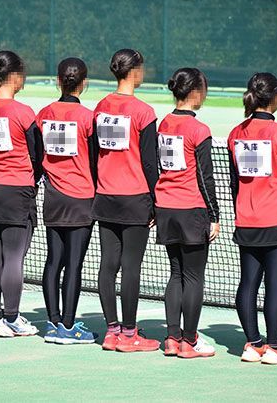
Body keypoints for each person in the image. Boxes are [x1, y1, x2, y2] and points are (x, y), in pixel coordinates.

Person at [228, 72, 277, 364]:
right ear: (276, 97)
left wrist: (241, 210)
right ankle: (274, 348)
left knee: (248, 283)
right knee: (276, 286)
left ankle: (253, 345)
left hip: (247, 223)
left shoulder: (235, 134)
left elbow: (234, 183)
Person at [93, 49, 160, 352]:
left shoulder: (101, 107)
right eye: (141, 68)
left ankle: (112, 332)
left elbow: (96, 153)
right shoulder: (144, 112)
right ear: (133, 72)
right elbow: (149, 163)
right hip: (135, 198)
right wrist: (156, 201)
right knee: (131, 267)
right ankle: (130, 334)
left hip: (106, 196)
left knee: (108, 265)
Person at [0, 51, 43, 338]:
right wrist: (34, 179)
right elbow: (37, 154)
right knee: (14, 257)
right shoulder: (23, 112)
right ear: (14, 76)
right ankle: (12, 319)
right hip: (16, 190)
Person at [155, 68, 219, 358]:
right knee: (193, 277)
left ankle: (172, 338)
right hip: (191, 210)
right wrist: (214, 215)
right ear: (195, 92)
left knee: (176, 274)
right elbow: (206, 178)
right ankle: (189, 341)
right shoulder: (199, 129)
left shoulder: (164, 123)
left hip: (166, 208)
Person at [37, 58, 96, 345]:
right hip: (81, 199)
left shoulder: (44, 114)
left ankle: (53, 323)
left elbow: (37, 155)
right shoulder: (88, 118)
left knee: (53, 261)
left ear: (59, 81)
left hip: (54, 198)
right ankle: (69, 327)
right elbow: (96, 160)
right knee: (73, 265)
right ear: (84, 83)